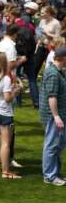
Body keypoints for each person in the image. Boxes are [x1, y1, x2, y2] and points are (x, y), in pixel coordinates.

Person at [39, 46, 66, 186]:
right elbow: (52, 97)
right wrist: (56, 116)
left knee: (58, 144)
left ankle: (55, 172)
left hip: (58, 114)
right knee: (51, 144)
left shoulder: (59, 72)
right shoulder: (53, 74)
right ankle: (49, 176)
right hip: (53, 116)